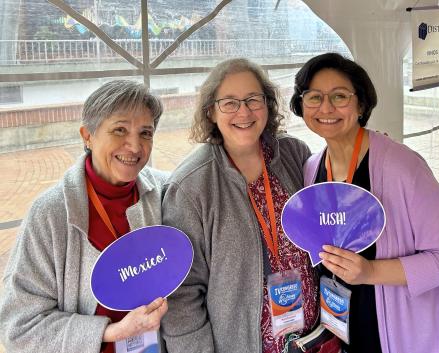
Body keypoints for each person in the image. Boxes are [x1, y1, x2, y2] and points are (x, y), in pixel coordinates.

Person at [289, 52, 439, 353]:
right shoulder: (312, 168)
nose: (326, 108)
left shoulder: (403, 168)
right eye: (314, 97)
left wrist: (370, 272)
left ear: (361, 104)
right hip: (345, 330)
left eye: (340, 96)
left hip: (406, 339)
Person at [161, 58, 318, 353]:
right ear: (211, 111)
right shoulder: (190, 186)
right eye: (230, 103)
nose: (243, 112)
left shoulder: (294, 154)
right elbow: (182, 294)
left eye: (252, 100)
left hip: (310, 341)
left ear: (268, 104)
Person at [0, 80, 169, 353]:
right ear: (87, 135)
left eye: (146, 133)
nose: (135, 147)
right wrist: (112, 332)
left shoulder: (166, 192)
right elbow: (19, 326)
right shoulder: (50, 214)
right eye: (120, 130)